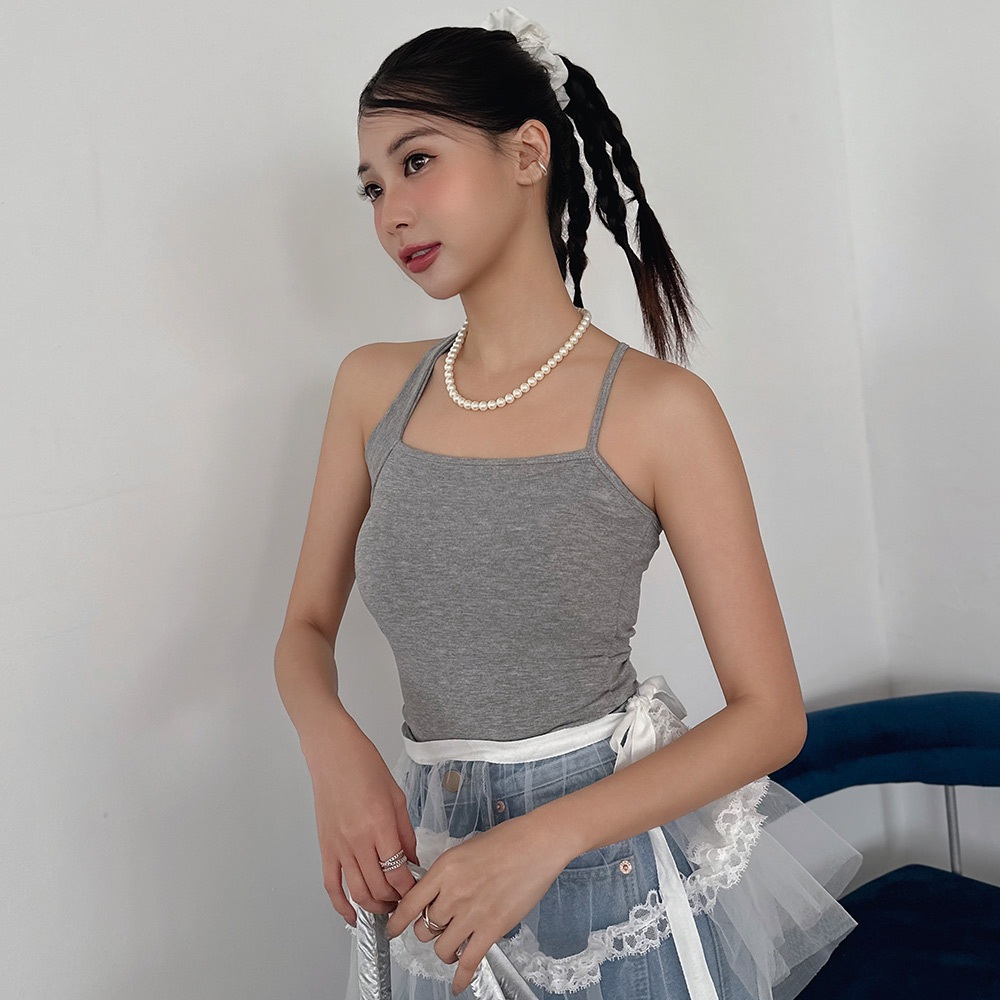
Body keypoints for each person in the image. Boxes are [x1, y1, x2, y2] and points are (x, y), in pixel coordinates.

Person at [273, 7, 863, 999]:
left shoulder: (659, 410)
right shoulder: (373, 388)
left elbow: (771, 717)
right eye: (372, 186)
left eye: (417, 162)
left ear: (527, 153)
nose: (391, 213)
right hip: (430, 877)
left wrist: (543, 837)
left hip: (608, 876)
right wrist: (332, 749)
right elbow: (303, 629)